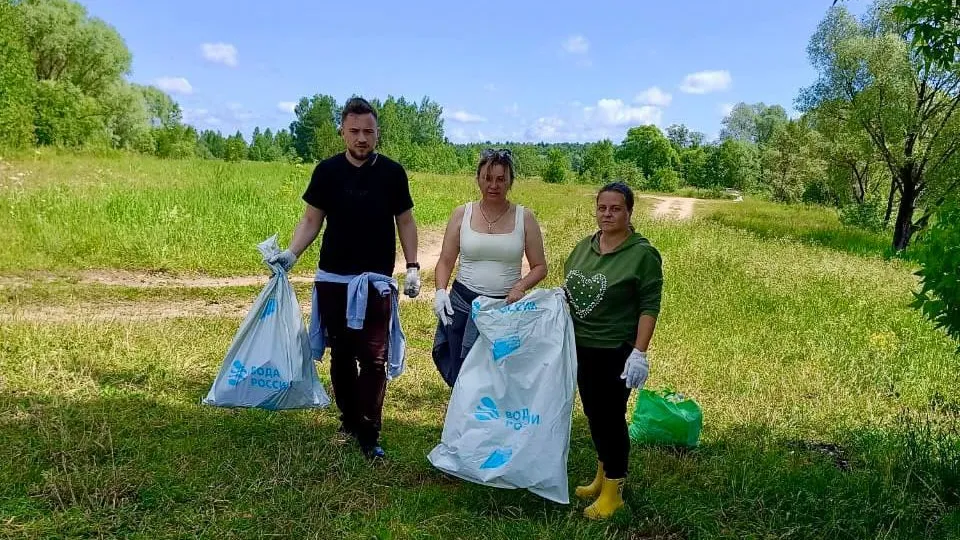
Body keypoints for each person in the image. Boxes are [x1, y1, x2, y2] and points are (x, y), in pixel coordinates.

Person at [269, 96, 420, 460]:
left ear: (377, 132)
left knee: (373, 359)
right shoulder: (327, 172)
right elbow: (311, 220)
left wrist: (413, 266)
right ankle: (349, 420)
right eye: (354, 131)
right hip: (333, 280)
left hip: (374, 283)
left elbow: (405, 221)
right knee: (340, 356)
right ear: (342, 132)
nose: (362, 138)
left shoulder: (392, 174)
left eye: (368, 131)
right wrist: (291, 254)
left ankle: (369, 432)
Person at [562, 181, 663, 520]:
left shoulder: (642, 254)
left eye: (615, 208)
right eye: (602, 207)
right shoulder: (585, 247)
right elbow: (570, 287)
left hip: (615, 349)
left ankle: (614, 491)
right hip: (582, 346)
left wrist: (639, 352)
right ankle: (601, 477)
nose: (607, 214)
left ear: (629, 212)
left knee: (611, 419)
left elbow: (650, 305)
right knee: (593, 414)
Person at [431, 148, 547, 387]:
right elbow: (445, 260)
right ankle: (462, 421)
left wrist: (521, 286)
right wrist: (441, 292)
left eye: (500, 179)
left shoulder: (524, 218)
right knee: (463, 374)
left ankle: (496, 423)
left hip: (504, 308)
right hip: (462, 305)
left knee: (500, 376)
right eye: (487, 178)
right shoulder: (462, 214)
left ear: (510, 182)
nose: (493, 185)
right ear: (478, 179)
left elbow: (539, 267)